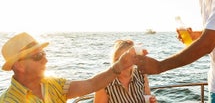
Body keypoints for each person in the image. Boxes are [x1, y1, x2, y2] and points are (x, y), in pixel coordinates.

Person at [0, 32, 137, 102]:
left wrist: (120, 65)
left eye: (44, 53)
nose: (45, 60)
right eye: (38, 56)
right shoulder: (8, 101)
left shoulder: (54, 85)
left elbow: (92, 84)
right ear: (20, 65)